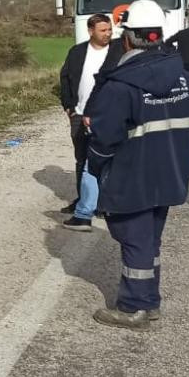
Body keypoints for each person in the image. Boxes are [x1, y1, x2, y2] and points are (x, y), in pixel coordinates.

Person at [84, 0, 189, 329]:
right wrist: (183, 173)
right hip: (170, 176)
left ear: (127, 39)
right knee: (150, 239)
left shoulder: (120, 86)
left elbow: (104, 140)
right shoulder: (187, 80)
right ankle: (149, 302)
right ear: (158, 35)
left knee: (134, 238)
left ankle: (134, 307)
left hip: (132, 177)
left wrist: (97, 169)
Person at [57, 14, 124, 229]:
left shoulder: (119, 50)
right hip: (79, 114)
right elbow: (65, 78)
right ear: (90, 31)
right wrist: (69, 106)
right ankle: (83, 200)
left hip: (107, 116)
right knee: (81, 159)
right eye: (103, 30)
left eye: (109, 29)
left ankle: (103, 203)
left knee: (105, 160)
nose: (108, 34)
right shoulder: (77, 52)